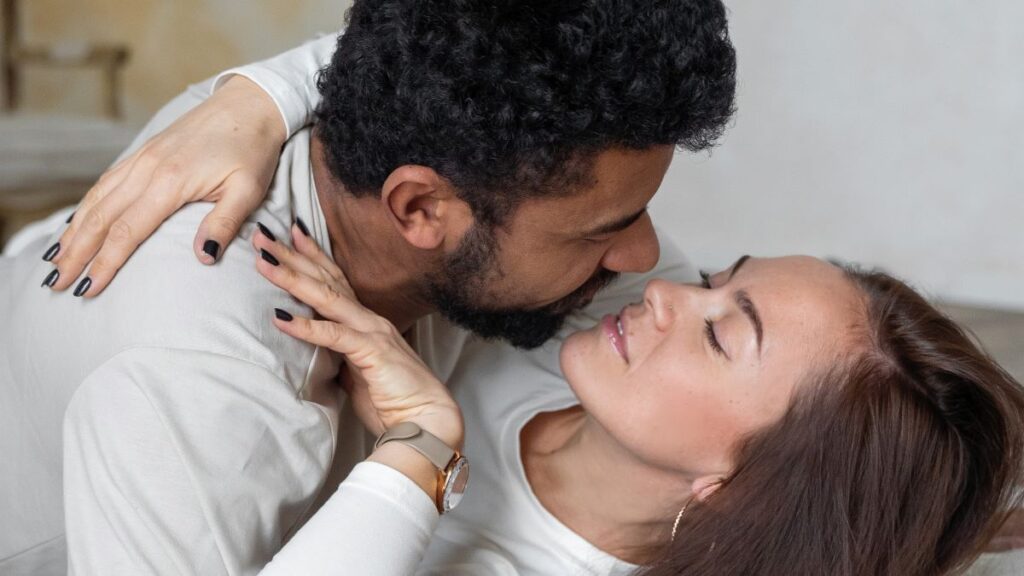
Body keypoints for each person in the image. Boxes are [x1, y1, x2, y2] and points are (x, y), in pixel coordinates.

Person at [0, 1, 737, 573]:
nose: (643, 258)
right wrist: (420, 452)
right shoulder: (214, 389)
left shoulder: (369, 119)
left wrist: (259, 92)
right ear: (419, 209)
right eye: (605, 228)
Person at [244, 227, 1024, 575]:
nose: (661, 290)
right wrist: (253, 102)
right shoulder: (594, 304)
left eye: (720, 337)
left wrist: (419, 444)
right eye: (720, 281)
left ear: (736, 488)